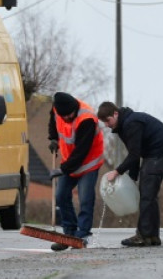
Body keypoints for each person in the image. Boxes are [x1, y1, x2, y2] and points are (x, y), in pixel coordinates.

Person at [97, 101, 163, 247]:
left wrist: (117, 171)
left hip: (160, 152)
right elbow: (134, 153)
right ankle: (152, 236)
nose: (107, 125)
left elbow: (134, 154)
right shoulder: (123, 125)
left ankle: (144, 236)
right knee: (149, 194)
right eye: (104, 122)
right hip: (153, 154)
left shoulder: (131, 123)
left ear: (115, 114)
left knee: (147, 194)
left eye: (107, 120)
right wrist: (132, 178)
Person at [47, 91, 105, 251]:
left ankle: (82, 236)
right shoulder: (57, 109)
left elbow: (82, 151)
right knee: (61, 196)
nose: (66, 118)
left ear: (74, 109)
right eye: (63, 116)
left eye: (69, 115)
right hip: (69, 161)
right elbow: (53, 122)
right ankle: (69, 235)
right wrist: (52, 138)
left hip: (88, 163)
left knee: (85, 198)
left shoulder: (87, 119)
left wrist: (62, 170)